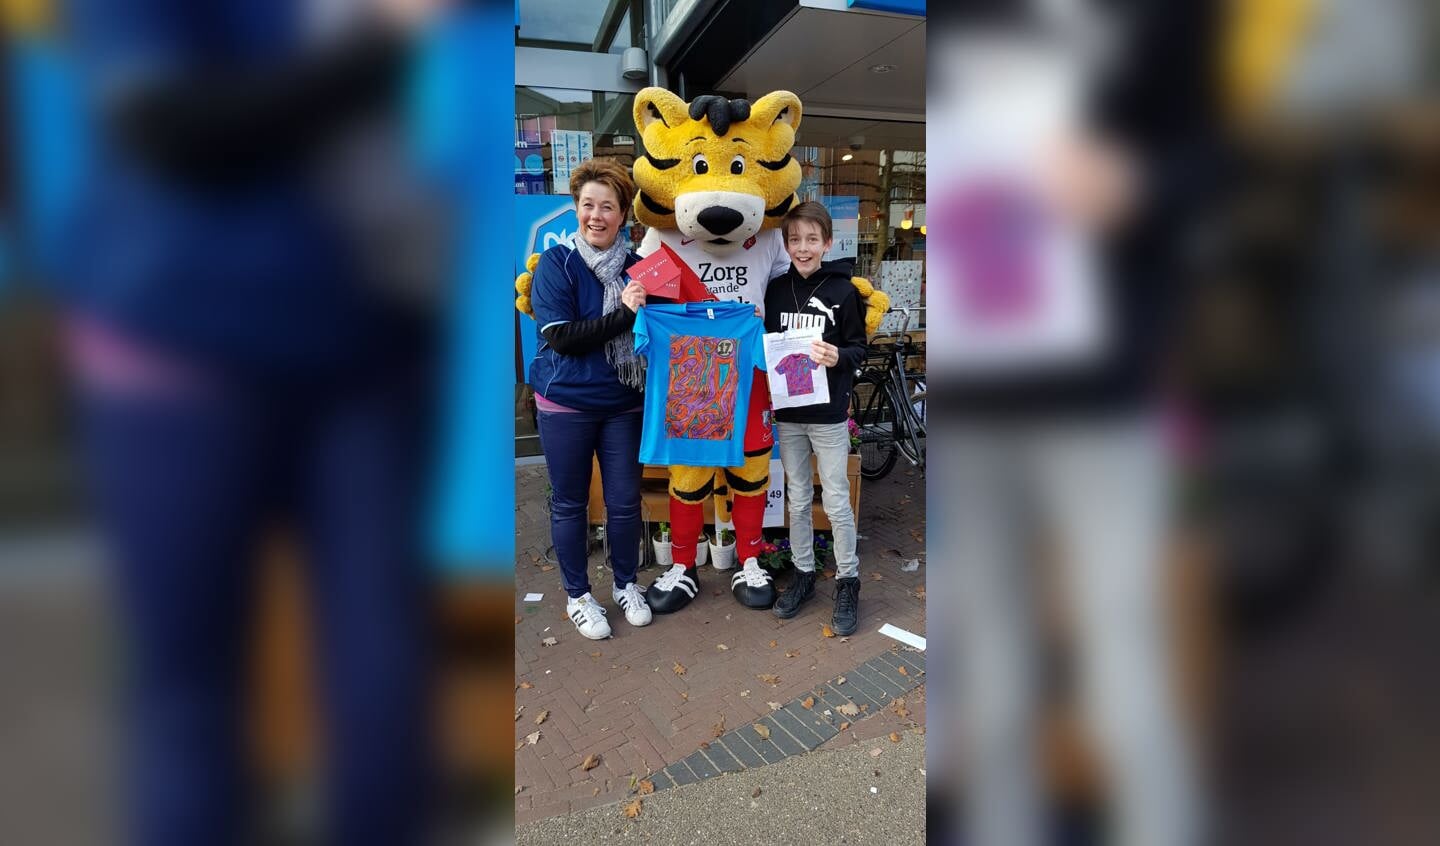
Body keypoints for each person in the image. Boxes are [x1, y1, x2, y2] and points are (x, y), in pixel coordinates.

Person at [60, 1, 447, 843]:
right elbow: (172, 129)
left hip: (351, 357)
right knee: (203, 688)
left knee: (366, 682)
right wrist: (383, 41)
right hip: (191, 348)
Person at [528, 158, 653, 640]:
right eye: (587, 205)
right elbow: (562, 337)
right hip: (566, 404)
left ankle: (626, 585)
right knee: (570, 503)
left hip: (624, 403)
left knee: (624, 502)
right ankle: (579, 596)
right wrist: (624, 314)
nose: (596, 215)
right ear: (576, 210)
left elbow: (670, 324)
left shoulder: (641, 268)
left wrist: (728, 316)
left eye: (607, 206)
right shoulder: (556, 264)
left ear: (624, 214)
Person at [763, 202, 868, 634]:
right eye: (794, 240)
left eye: (811, 239)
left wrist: (838, 355)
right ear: (786, 244)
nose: (802, 248)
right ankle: (804, 572)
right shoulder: (774, 290)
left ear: (827, 243)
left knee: (838, 499)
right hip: (789, 413)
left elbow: (860, 349)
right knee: (799, 498)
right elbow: (767, 344)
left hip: (826, 416)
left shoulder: (844, 292)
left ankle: (848, 580)